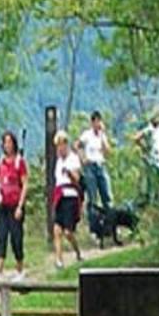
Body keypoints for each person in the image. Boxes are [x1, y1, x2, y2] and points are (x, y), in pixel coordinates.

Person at [0, 130, 28, 280]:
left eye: (10, 142)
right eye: (5, 143)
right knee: (1, 236)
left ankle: (20, 269)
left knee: (16, 237)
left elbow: (25, 184)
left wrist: (20, 206)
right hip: (3, 205)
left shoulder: (20, 162)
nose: (7, 146)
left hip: (15, 205)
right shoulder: (1, 162)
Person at [50, 128, 84, 268]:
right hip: (60, 196)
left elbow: (77, 179)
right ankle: (59, 260)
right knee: (57, 229)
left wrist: (69, 173)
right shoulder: (58, 161)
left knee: (68, 232)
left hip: (70, 197)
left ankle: (77, 251)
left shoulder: (73, 159)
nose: (59, 148)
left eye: (61, 145)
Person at [79, 111, 113, 214]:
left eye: (99, 121)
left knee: (106, 193)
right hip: (90, 166)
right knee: (92, 196)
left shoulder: (102, 136)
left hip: (100, 165)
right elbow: (77, 145)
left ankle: (110, 218)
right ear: (92, 122)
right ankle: (93, 221)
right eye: (96, 121)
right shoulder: (87, 135)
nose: (98, 124)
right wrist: (83, 158)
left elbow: (107, 150)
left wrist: (102, 134)